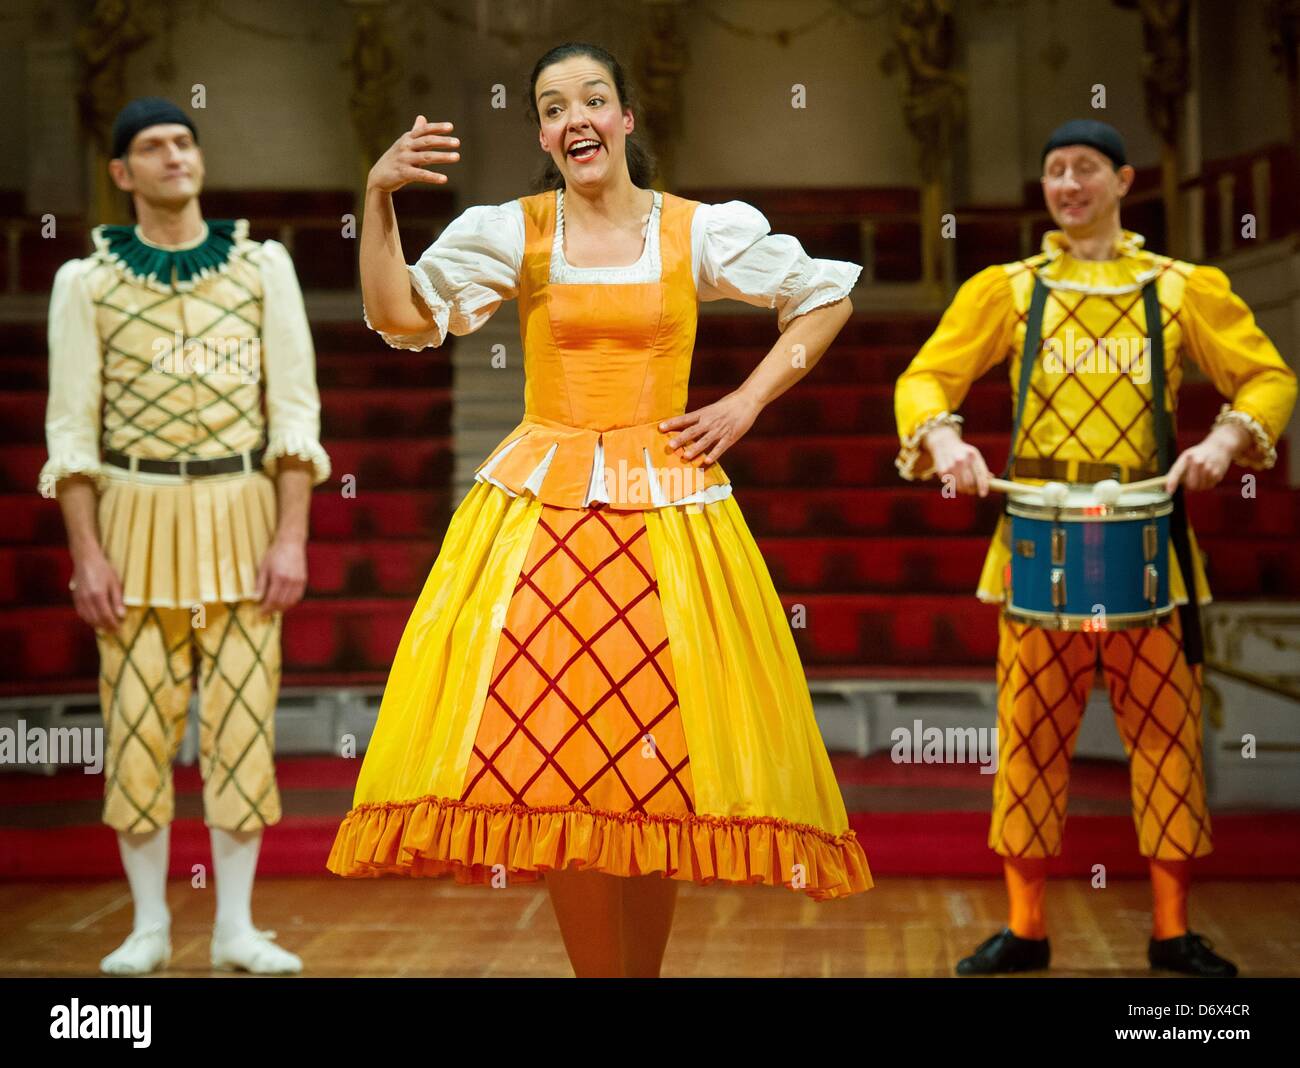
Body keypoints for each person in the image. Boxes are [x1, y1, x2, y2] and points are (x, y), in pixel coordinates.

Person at [328, 42, 872, 977]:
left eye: (592, 99)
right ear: (543, 133)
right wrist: (374, 200)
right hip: (547, 523)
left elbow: (824, 296)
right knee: (561, 771)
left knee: (651, 773)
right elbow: (401, 317)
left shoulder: (698, 230)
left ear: (624, 119)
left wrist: (744, 402)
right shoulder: (516, 231)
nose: (574, 116)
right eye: (552, 106)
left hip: (667, 520)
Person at [894, 118, 1296, 977]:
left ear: (1124, 180)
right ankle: (1027, 928)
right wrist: (945, 442)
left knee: (1165, 738)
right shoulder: (1006, 289)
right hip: (1038, 534)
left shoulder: (1184, 288)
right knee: (1031, 737)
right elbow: (925, 375)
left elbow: (1268, 376)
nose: (1067, 186)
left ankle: (1172, 929)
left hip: (1151, 538)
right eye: (1053, 172)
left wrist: (1227, 442)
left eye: (1084, 170)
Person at [41, 97, 331, 975]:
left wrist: (291, 537)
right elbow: (71, 432)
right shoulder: (84, 282)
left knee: (243, 723)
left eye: (185, 142)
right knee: (135, 727)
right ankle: (149, 928)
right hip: (132, 520)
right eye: (154, 148)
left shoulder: (261, 267)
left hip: (243, 515)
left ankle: (237, 927)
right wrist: (86, 553)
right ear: (122, 174)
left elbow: (294, 408)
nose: (176, 156)